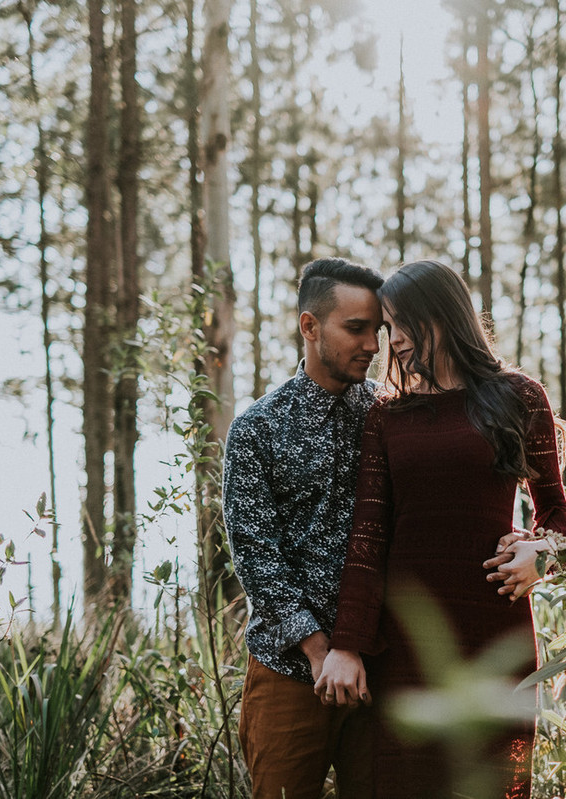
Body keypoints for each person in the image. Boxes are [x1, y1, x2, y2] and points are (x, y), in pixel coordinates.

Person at [314, 259, 566, 799]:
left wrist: (541, 554)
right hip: (407, 639)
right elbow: (367, 541)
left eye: (404, 323)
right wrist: (347, 645)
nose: (395, 340)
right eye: (387, 327)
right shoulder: (387, 417)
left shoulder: (518, 396)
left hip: (494, 630)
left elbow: (557, 514)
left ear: (444, 315)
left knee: (495, 784)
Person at [221, 256, 384, 799]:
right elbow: (256, 554)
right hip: (290, 672)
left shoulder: (388, 417)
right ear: (309, 326)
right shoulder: (257, 430)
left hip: (382, 671)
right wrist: (319, 651)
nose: (373, 345)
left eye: (378, 330)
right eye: (356, 329)